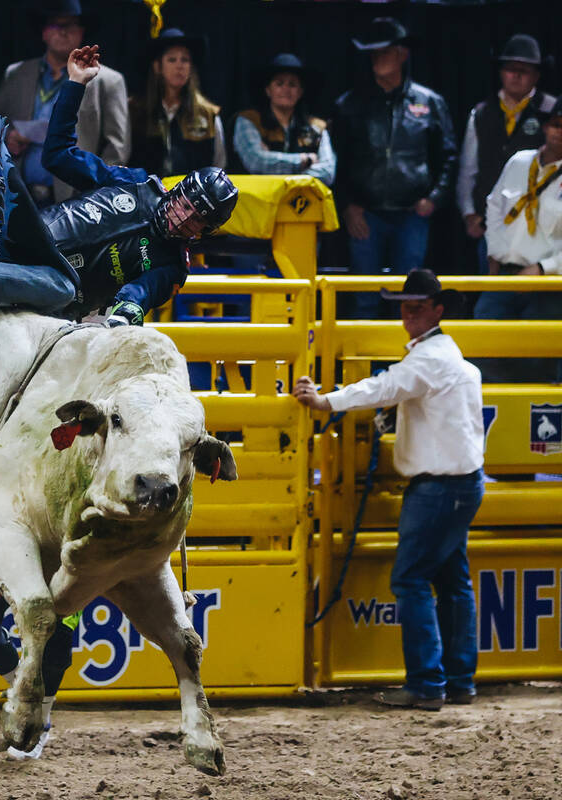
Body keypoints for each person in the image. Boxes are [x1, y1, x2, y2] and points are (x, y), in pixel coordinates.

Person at [0, 46, 237, 325]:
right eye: (186, 205)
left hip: (58, 297)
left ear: (202, 232)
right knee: (4, 186)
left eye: (195, 218)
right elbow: (58, 156)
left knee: (61, 288)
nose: (182, 216)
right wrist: (75, 84)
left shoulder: (172, 267)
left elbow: (140, 293)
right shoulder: (134, 183)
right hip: (26, 238)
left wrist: (125, 314)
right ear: (177, 191)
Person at [294, 269, 484, 710]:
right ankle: (458, 679)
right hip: (460, 483)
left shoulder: (429, 360)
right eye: (406, 306)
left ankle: (426, 683)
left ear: (437, 309)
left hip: (438, 486)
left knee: (412, 579)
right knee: (452, 581)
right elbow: (397, 389)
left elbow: (385, 387)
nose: (408, 314)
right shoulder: (445, 356)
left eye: (416, 307)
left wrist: (327, 401)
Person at [332, 17, 457, 320]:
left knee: (409, 295)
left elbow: (449, 156)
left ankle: (403, 362)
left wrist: (434, 198)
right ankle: (361, 365)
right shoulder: (350, 104)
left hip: (412, 214)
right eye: (372, 53)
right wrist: (348, 206)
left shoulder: (430, 102)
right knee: (364, 294)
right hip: (366, 213)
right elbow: (336, 160)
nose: (377, 58)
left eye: (384, 51)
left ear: (403, 54)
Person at [0, 0, 129, 206]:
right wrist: (7, 138)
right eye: (56, 25)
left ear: (82, 32)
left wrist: (95, 193)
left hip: (77, 199)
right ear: (44, 32)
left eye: (71, 25)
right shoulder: (16, 73)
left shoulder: (108, 81)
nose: (63, 32)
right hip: (18, 194)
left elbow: (117, 148)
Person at [0, 555, 76, 760]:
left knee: (54, 638)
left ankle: (38, 721)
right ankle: (25, 692)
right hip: (3, 554)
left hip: (62, 563)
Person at [476, 104, 562, 383]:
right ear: (547, 126)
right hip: (504, 274)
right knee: (484, 347)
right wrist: (493, 252)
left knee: (535, 362)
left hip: (549, 285)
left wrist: (543, 268)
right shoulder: (520, 161)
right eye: (557, 123)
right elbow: (494, 205)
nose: (560, 132)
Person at [457, 35, 557, 272]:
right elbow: (467, 170)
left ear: (537, 75)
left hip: (543, 226)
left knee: (540, 299)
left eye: (524, 70)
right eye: (510, 69)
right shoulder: (482, 113)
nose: (516, 75)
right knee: (491, 295)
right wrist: (468, 213)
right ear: (501, 72)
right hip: (492, 223)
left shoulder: (553, 111)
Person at [129, 27, 225, 180]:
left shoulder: (208, 114)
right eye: (172, 59)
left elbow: (219, 165)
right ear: (157, 66)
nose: (180, 66)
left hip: (191, 200)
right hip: (145, 197)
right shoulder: (135, 110)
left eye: (185, 60)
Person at [233, 53, 335, 185]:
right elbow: (256, 162)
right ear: (268, 90)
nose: (286, 89)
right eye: (279, 83)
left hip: (301, 201)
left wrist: (288, 178)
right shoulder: (249, 120)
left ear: (300, 92)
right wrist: (306, 160)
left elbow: (328, 172)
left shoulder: (316, 127)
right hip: (258, 201)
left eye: (292, 84)